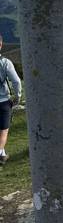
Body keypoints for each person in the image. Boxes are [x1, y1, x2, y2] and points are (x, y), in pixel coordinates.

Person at [0, 34, 22, 164]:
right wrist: (17, 96)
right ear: (1, 45)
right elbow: (17, 81)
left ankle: (2, 153)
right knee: (3, 130)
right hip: (3, 102)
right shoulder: (5, 62)